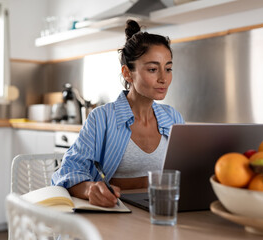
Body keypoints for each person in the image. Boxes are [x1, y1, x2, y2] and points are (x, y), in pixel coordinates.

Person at [51, 19, 185, 207]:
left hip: (161, 211)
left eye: (168, 69)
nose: (164, 78)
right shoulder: (101, 119)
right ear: (128, 73)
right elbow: (68, 171)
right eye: (153, 69)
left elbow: (186, 175)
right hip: (115, 213)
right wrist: (91, 189)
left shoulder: (174, 119)